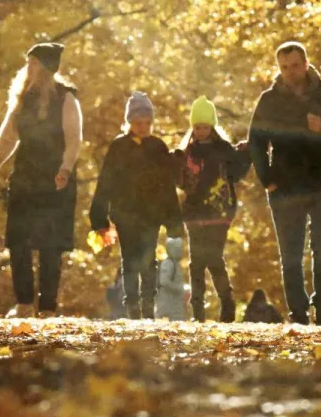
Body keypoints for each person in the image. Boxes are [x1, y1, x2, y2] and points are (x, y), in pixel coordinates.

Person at [248, 41, 321, 325]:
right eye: (285, 67)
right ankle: (298, 314)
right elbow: (255, 142)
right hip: (284, 187)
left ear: (307, 63)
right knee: (290, 254)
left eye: (296, 65)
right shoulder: (269, 100)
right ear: (279, 68)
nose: (291, 72)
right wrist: (267, 179)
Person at [0, 41, 82, 318]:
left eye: (34, 63)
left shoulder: (66, 98)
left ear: (47, 67)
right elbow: (7, 137)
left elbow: (74, 139)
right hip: (25, 176)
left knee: (50, 245)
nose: (29, 67)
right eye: (29, 62)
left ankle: (47, 308)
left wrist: (65, 170)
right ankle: (23, 303)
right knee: (19, 241)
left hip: (55, 178)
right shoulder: (23, 97)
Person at [90, 91, 185, 319]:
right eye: (137, 122)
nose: (143, 127)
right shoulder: (119, 148)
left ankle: (148, 303)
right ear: (129, 122)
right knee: (129, 260)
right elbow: (106, 182)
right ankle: (132, 304)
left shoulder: (158, 147)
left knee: (148, 259)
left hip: (151, 215)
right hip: (124, 214)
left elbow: (167, 186)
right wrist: (99, 217)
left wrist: (173, 220)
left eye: (147, 123)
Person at [176, 96, 254, 322]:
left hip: (219, 211)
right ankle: (198, 310)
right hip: (193, 212)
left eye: (205, 126)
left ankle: (227, 303)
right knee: (196, 261)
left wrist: (245, 154)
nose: (200, 131)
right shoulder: (186, 152)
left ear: (212, 126)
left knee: (214, 257)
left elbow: (236, 174)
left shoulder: (224, 149)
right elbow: (180, 182)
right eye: (197, 127)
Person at [155, 235, 189, 320]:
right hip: (167, 302)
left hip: (175, 302)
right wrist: (180, 289)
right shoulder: (168, 264)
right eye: (178, 248)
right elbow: (164, 282)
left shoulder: (176, 264)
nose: (181, 251)